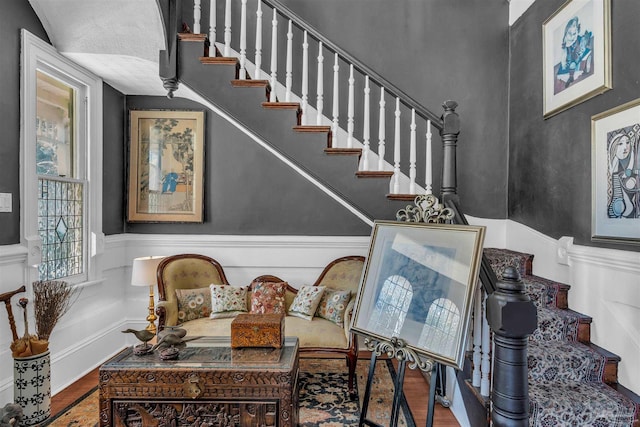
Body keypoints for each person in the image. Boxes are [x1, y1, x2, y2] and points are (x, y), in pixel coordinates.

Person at [555, 16, 593, 93]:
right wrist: (564, 62)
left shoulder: (577, 38)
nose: (572, 36)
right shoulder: (566, 41)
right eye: (570, 33)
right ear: (566, 32)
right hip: (570, 54)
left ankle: (572, 76)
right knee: (564, 67)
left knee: (574, 63)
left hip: (577, 52)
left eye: (574, 33)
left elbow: (578, 50)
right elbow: (564, 53)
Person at [607, 132, 639, 219]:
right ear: (614, 147)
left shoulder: (633, 164)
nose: (625, 147)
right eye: (620, 143)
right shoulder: (613, 165)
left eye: (627, 142)